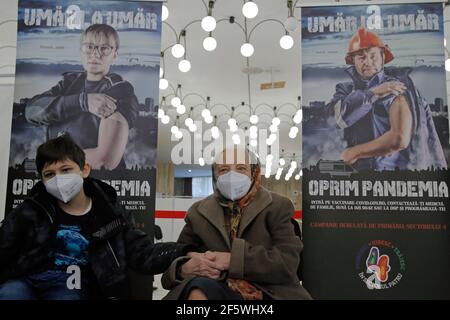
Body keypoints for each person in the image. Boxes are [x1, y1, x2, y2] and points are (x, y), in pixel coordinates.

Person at [0, 134, 194, 300]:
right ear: (42, 179)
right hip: (27, 280)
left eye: (66, 170)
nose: (58, 179)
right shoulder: (31, 209)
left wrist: (183, 252)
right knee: (9, 293)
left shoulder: (110, 214)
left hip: (73, 288)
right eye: (49, 174)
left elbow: (142, 253)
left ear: (84, 170)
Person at [161, 147, 311, 300]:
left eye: (241, 168)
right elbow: (174, 262)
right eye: (224, 169)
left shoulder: (278, 206)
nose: (232, 176)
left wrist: (232, 260)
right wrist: (182, 269)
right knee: (197, 289)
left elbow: (288, 263)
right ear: (215, 175)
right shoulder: (198, 213)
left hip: (267, 290)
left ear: (254, 173)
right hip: (215, 287)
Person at [326, 27, 446, 171]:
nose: (368, 62)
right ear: (353, 61)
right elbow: (336, 119)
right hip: (362, 178)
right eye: (361, 57)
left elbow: (400, 139)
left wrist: (353, 152)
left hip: (401, 178)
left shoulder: (400, 86)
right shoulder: (344, 90)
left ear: (383, 57)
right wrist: (373, 93)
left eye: (373, 56)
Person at [24, 24, 138, 170]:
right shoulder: (68, 84)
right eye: (89, 47)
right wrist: (83, 102)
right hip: (59, 184)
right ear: (80, 51)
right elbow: (32, 111)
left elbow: (104, 160)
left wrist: (50, 163)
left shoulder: (121, 91)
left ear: (115, 54)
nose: (95, 54)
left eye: (104, 48)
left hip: (97, 186)